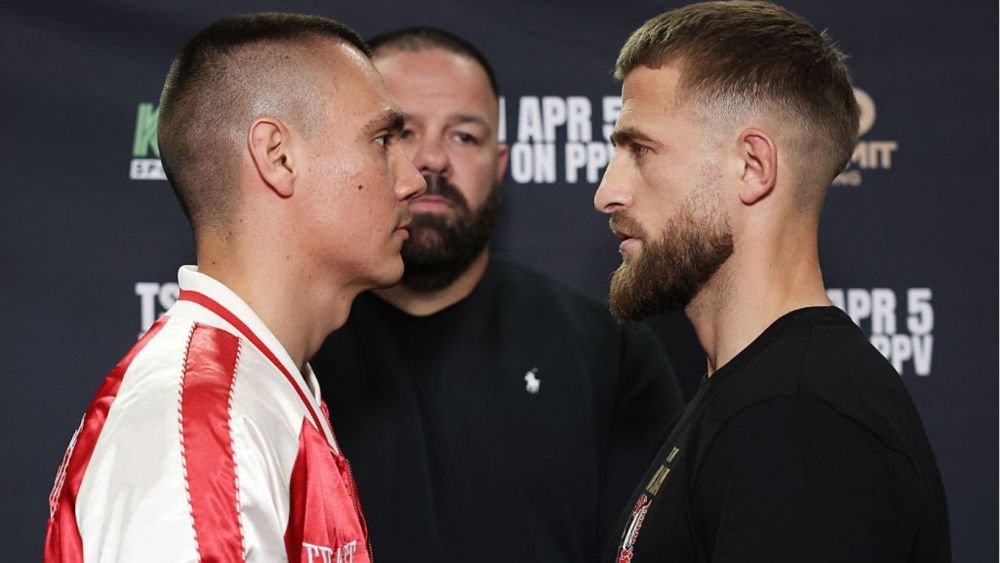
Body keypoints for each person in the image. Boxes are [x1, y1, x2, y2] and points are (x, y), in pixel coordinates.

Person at [44, 13, 424, 563]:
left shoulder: (251, 393)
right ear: (277, 157)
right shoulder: (203, 422)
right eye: (382, 139)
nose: (413, 180)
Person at [309, 27, 684, 563]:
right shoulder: (293, 349)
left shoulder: (609, 351)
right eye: (399, 133)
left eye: (464, 136)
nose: (431, 160)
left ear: (500, 165)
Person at [594, 2, 950, 562]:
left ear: (753, 166)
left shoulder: (800, 421)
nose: (607, 193)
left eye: (641, 150)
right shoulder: (759, 399)